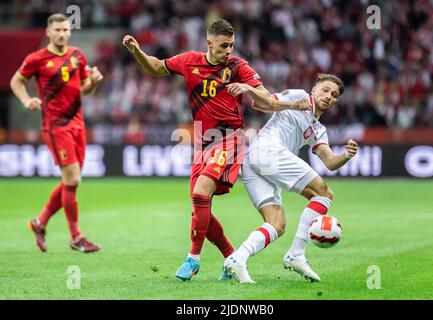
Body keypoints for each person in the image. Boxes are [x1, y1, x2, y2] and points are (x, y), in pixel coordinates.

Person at [123, 19, 307, 281]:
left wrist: (247, 88)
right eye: (223, 45)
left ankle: (193, 259)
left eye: (231, 45)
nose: (228, 50)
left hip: (229, 139)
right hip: (202, 143)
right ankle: (231, 258)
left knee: (200, 193)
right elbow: (155, 67)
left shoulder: (238, 67)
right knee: (200, 211)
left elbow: (267, 98)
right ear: (209, 43)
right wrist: (137, 52)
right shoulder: (189, 61)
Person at [223, 73, 358, 283]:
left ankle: (237, 259)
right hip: (267, 150)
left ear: (335, 102)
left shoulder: (319, 130)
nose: (328, 96)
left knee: (277, 224)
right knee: (324, 194)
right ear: (314, 90)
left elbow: (330, 162)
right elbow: (263, 105)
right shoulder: (299, 95)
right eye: (325, 90)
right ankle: (295, 254)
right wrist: (249, 90)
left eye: (333, 95)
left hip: (255, 162)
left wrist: (346, 156)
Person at [10, 13, 103, 253]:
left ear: (69, 32)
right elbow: (16, 81)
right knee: (72, 179)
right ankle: (76, 237)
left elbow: (86, 90)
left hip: (78, 125)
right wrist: (26, 99)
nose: (62, 34)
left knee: (69, 182)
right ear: (48, 32)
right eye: (57, 30)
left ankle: (39, 223)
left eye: (65, 30)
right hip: (56, 126)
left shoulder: (77, 56)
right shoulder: (37, 59)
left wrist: (93, 82)